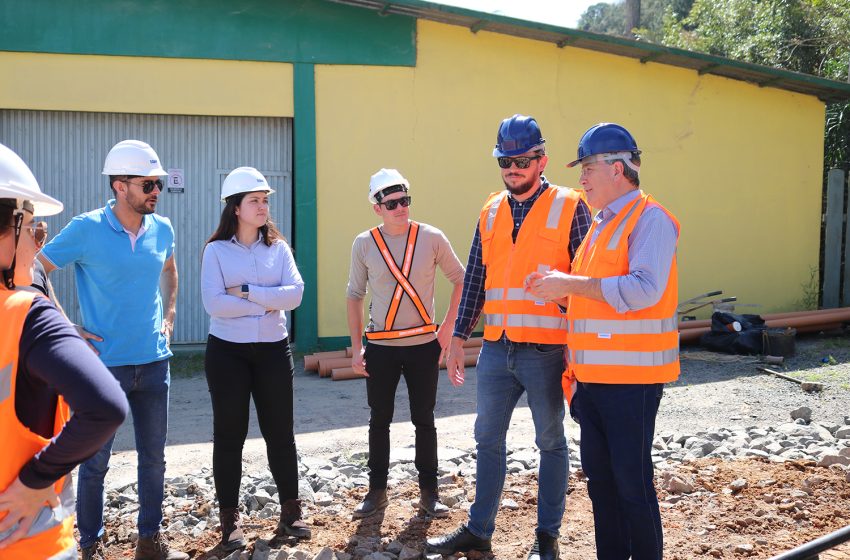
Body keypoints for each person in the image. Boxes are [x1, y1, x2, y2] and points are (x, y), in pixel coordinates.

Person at [426, 115, 591, 560]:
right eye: (505, 161)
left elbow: (587, 282)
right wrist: (458, 336)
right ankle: (479, 530)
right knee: (486, 439)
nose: (512, 168)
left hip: (547, 350)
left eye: (521, 160)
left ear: (542, 161)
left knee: (551, 442)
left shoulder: (571, 205)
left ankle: (547, 540)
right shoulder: (491, 209)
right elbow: (475, 279)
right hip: (497, 348)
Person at [525, 123, 679, 560]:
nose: (582, 179)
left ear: (617, 169)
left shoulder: (650, 219)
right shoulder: (600, 224)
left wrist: (570, 283)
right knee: (602, 486)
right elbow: (592, 299)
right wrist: (558, 291)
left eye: (588, 168)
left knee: (632, 485)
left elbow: (644, 289)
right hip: (592, 383)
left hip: (632, 383)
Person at [38, 140, 185, 560]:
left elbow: (170, 269)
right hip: (103, 368)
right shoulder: (85, 228)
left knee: (153, 459)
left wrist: (170, 313)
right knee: (95, 462)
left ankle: (149, 541)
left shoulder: (163, 228)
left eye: (159, 184)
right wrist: (64, 326)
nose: (157, 192)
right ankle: (90, 545)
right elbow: (36, 268)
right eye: (148, 184)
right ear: (120, 186)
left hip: (155, 363)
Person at [0, 143, 128, 559]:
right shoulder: (24, 314)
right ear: (10, 227)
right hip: (28, 546)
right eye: (33, 229)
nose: (37, 247)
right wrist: (36, 478)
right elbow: (105, 407)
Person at [346, 168, 464, 518]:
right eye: (392, 203)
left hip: (423, 345)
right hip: (380, 348)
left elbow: (462, 279)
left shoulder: (431, 237)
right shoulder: (364, 243)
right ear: (377, 208)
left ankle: (429, 493)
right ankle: (377, 492)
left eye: (405, 200)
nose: (400, 207)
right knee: (379, 419)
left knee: (424, 418)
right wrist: (356, 347)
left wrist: (448, 328)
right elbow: (354, 295)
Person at [200, 167, 308, 551]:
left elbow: (295, 294)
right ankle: (230, 522)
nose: (263, 207)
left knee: (281, 434)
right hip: (227, 354)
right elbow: (214, 304)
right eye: (255, 201)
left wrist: (246, 291)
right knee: (230, 436)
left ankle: (291, 513)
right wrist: (267, 300)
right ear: (235, 208)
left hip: (273, 352)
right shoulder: (215, 251)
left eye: (265, 200)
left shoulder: (279, 249)